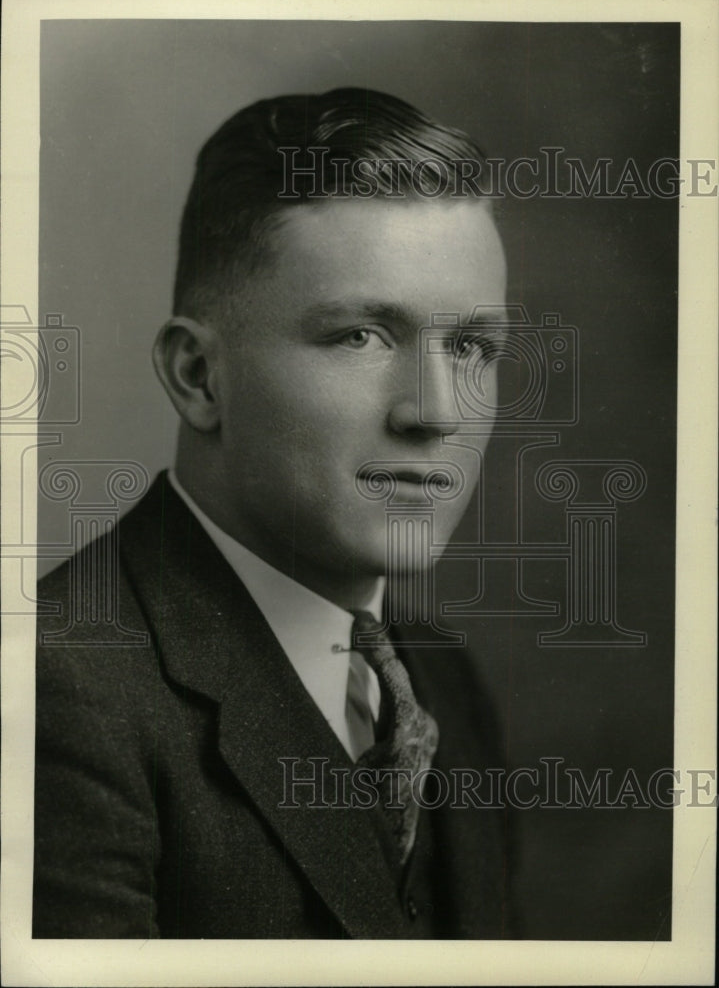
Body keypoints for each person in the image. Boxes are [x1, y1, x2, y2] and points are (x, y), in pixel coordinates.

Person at [33, 88, 517, 939]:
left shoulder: (440, 678)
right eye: (361, 336)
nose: (435, 412)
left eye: (471, 345)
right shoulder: (56, 695)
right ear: (197, 376)